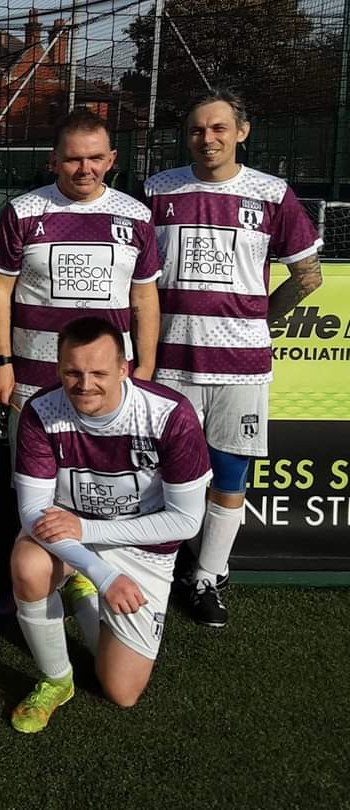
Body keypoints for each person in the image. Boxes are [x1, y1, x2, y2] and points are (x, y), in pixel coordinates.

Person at [143, 89, 323, 627]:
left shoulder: (272, 194)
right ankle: (155, 569)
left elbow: (308, 276)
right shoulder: (158, 188)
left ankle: (206, 576)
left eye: (220, 128)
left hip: (240, 366)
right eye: (198, 129)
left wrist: (256, 321)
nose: (208, 138)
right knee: (162, 474)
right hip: (169, 361)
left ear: (242, 131)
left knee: (228, 473)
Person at [9, 317, 210, 733]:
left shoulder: (171, 415)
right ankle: (56, 679)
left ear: (124, 368)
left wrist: (90, 534)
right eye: (72, 372)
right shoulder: (40, 412)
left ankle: (80, 593)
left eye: (99, 372)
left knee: (122, 692)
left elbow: (186, 521)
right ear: (58, 368)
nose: (85, 384)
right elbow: (32, 513)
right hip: (65, 538)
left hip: (140, 546)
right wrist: (101, 571)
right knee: (28, 563)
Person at [0, 108, 161, 452]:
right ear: (54, 161)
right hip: (34, 380)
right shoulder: (22, 211)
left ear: (111, 159)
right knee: (34, 488)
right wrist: (1, 361)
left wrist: (147, 367)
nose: (85, 169)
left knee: (107, 478)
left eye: (95, 158)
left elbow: (145, 299)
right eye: (73, 159)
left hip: (110, 382)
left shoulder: (136, 215)